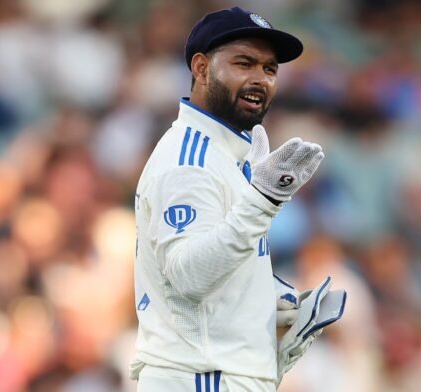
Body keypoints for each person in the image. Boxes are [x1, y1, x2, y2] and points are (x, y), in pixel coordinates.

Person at [130, 7, 327, 391]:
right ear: (201, 69)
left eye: (270, 69)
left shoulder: (227, 155)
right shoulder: (189, 160)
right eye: (244, 63)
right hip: (201, 379)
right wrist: (264, 199)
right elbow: (189, 275)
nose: (260, 80)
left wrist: (270, 299)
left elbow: (208, 271)